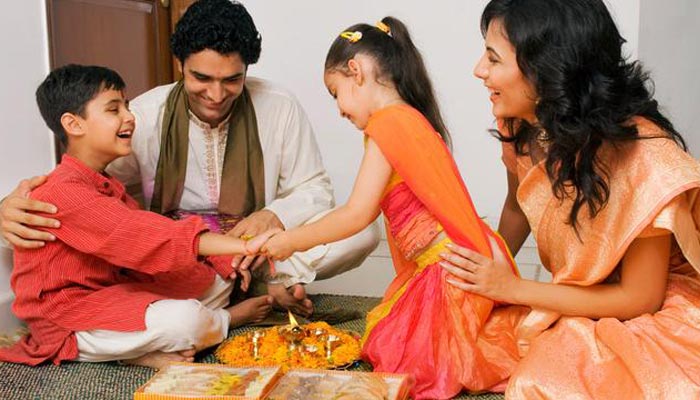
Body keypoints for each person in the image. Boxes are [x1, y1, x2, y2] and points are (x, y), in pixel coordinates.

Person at [0, 0, 379, 317]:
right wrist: (10, 207)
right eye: (202, 78)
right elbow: (87, 189)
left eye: (231, 79)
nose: (216, 94)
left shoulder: (278, 106)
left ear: (247, 69)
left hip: (259, 248)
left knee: (363, 233)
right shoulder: (145, 115)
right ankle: (244, 295)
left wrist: (274, 214)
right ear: (180, 64)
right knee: (163, 295)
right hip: (183, 258)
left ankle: (265, 282)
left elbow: (314, 188)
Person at [438, 0, 700, 398]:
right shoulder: (521, 124)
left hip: (655, 309)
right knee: (452, 340)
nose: (479, 70)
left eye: (493, 58)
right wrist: (483, 277)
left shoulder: (647, 158)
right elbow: (517, 206)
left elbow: (639, 299)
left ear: (547, 70)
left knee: (546, 380)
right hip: (576, 291)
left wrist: (512, 290)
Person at [260, 17, 518, 399]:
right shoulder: (408, 119)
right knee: (387, 341)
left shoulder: (388, 125)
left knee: (403, 361)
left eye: (335, 92)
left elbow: (356, 214)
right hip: (444, 263)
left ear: (356, 71)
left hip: (447, 271)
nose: (338, 109)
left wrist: (290, 241)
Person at [0, 64, 281, 369]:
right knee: (186, 319)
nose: (129, 117)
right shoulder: (63, 191)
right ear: (74, 124)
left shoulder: (103, 182)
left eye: (127, 106)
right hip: (67, 314)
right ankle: (224, 320)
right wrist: (242, 246)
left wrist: (221, 259)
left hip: (111, 293)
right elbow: (142, 234)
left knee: (216, 278)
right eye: (113, 109)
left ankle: (140, 348)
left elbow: (148, 237)